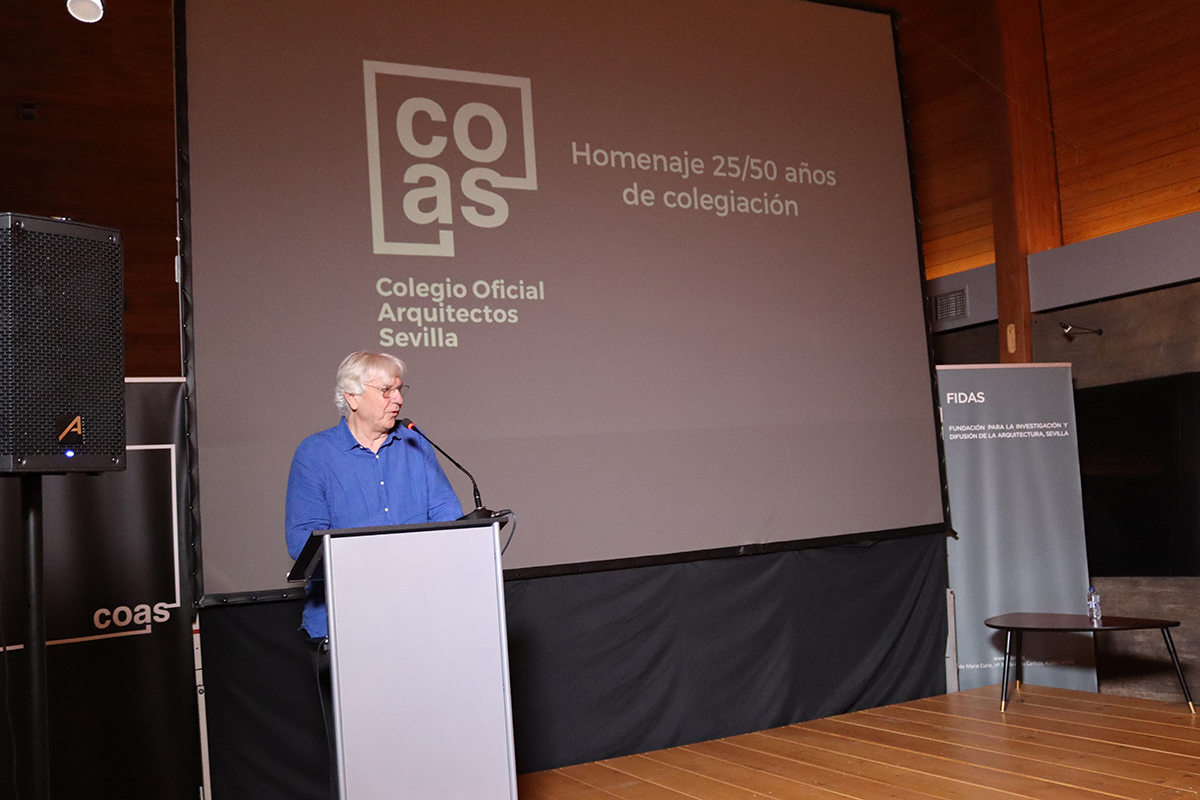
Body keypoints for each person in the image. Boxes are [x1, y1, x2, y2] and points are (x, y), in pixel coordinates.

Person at [284, 351, 462, 792]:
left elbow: (450, 519)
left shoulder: (416, 445)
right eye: (386, 390)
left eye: (399, 389)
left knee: (423, 752)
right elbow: (303, 541)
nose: (397, 399)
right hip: (346, 629)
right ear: (352, 396)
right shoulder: (315, 453)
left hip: (417, 625)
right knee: (360, 763)